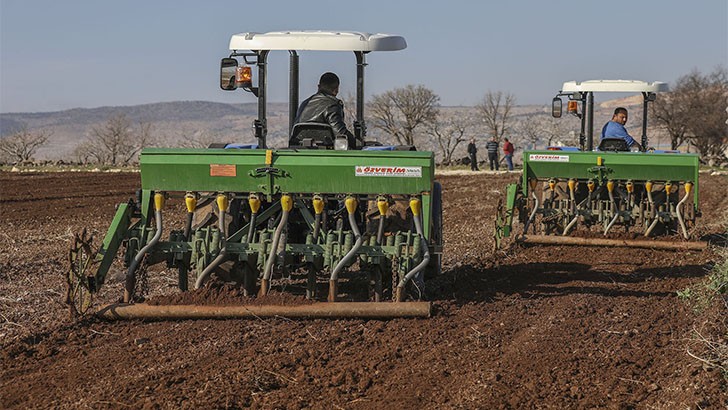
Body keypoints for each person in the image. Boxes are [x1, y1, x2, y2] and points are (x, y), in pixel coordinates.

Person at [292, 72, 356, 148]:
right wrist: (356, 142)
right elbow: (340, 133)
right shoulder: (333, 105)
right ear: (336, 89)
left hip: (301, 149)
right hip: (326, 152)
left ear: (318, 86)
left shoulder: (304, 104)